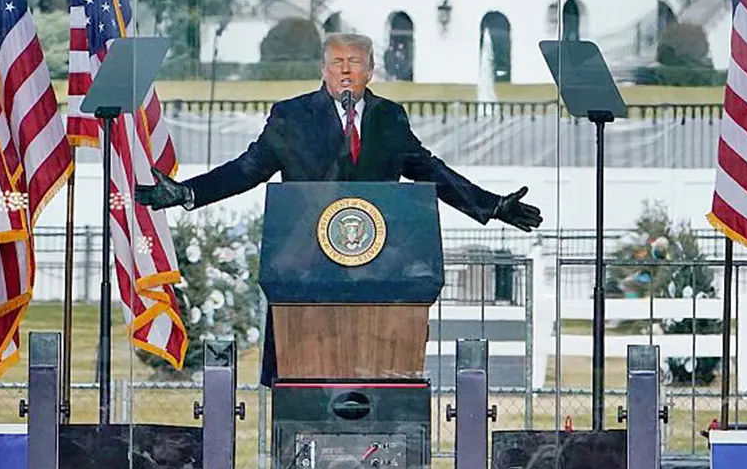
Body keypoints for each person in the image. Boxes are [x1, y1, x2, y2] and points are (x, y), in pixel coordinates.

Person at [135, 32, 543, 382]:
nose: (345, 71)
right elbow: (249, 168)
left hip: (379, 275)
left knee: (375, 377)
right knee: (305, 381)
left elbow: (427, 169)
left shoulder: (388, 116)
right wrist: (188, 193)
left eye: (354, 62)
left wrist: (490, 206)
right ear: (323, 69)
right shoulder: (292, 115)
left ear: (370, 70)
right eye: (336, 63)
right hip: (307, 273)